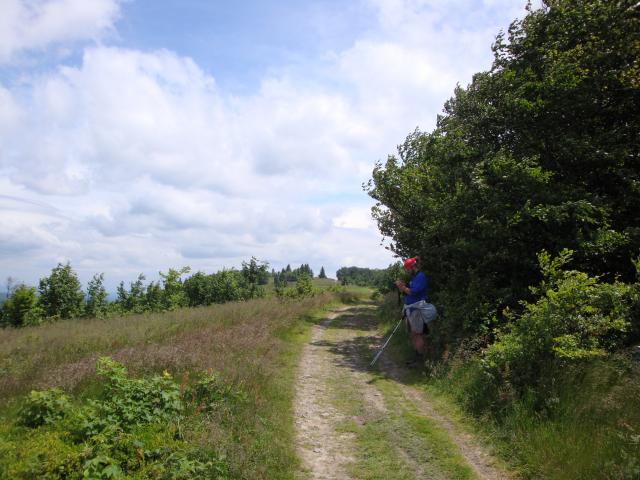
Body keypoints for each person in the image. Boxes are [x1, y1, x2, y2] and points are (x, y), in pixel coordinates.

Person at [395, 257, 437, 366]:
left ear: (412, 267)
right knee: (413, 335)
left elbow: (413, 292)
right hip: (411, 310)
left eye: (407, 269)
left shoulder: (420, 276)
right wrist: (402, 288)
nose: (407, 271)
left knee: (417, 334)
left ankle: (420, 360)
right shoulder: (414, 278)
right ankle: (416, 357)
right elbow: (407, 293)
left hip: (417, 310)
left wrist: (402, 287)